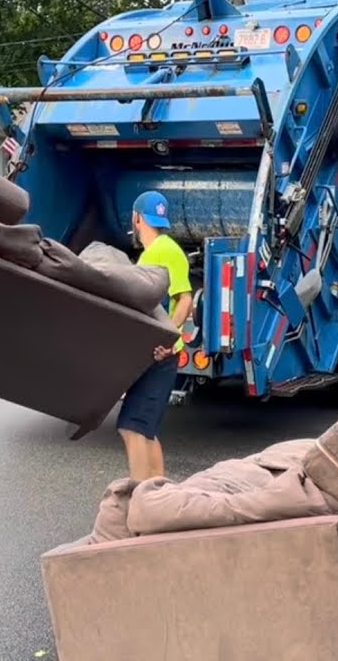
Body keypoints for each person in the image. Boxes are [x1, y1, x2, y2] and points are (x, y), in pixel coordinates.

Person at [117, 191, 192, 481]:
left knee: (132, 427)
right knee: (145, 429)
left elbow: (184, 299)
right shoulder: (158, 250)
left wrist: (168, 340)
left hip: (162, 355)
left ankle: (140, 498)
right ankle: (160, 495)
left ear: (136, 218)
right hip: (157, 353)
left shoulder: (164, 250)